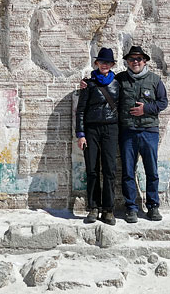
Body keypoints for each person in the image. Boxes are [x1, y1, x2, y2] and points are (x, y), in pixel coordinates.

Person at [117, 46, 168, 223]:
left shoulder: (154, 80)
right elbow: (104, 86)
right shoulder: (120, 79)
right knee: (128, 171)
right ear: (127, 62)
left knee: (151, 171)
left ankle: (153, 206)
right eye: (132, 59)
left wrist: (145, 109)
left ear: (144, 61)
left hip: (149, 131)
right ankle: (131, 207)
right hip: (128, 132)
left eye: (139, 59)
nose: (135, 62)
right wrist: (87, 82)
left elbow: (163, 102)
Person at [75, 47, 119, 225]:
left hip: (111, 129)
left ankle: (108, 210)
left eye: (108, 62)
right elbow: (80, 111)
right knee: (92, 169)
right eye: (102, 62)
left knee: (109, 170)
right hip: (92, 130)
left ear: (112, 64)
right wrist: (80, 133)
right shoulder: (89, 84)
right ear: (96, 63)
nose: (105, 65)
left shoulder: (118, 82)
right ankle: (93, 207)